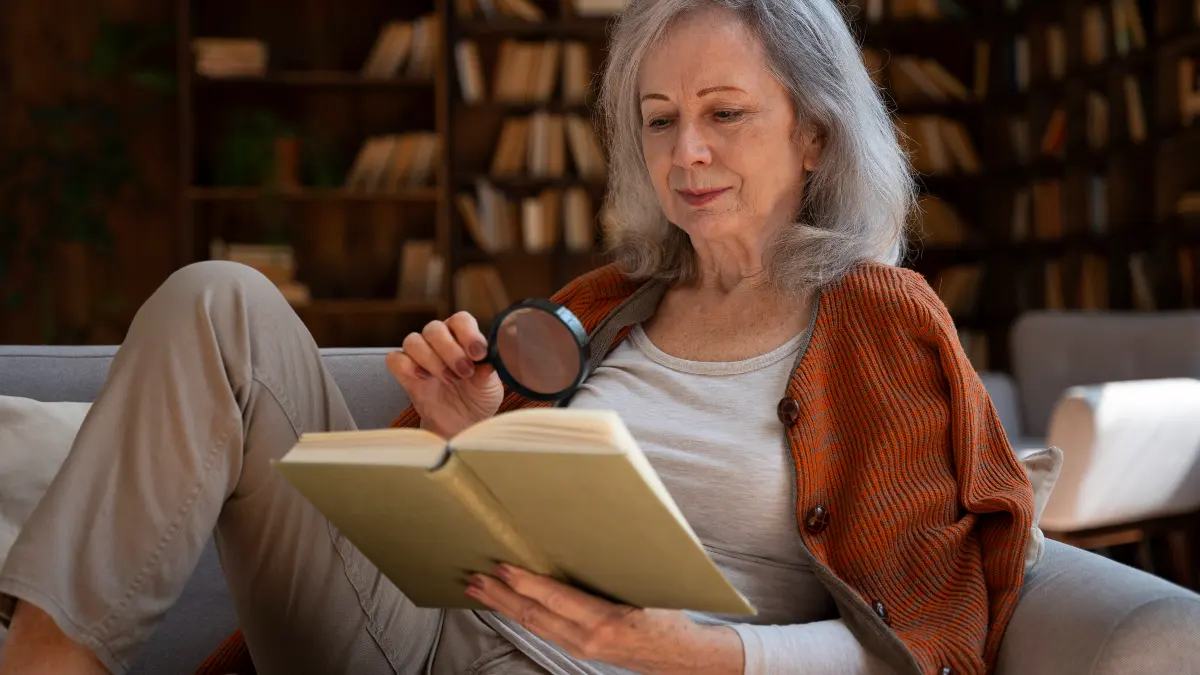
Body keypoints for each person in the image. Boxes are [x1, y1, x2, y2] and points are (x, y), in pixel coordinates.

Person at [0, 0, 1035, 673]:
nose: (687, 152)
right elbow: (481, 518)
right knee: (216, 300)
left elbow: (936, 635)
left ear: (814, 133)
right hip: (432, 631)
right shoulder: (608, 299)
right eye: (659, 118)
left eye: (726, 113)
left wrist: (694, 651)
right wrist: (460, 436)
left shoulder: (879, 320)